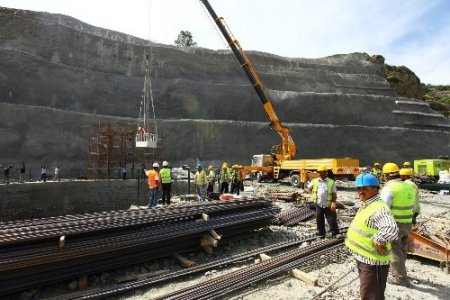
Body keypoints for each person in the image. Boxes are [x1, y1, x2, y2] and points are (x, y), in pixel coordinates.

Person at [345, 173, 399, 300]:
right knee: (367, 292)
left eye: (365, 188)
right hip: (364, 258)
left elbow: (391, 229)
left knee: (372, 295)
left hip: (373, 262)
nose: (361, 192)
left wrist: (378, 240)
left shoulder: (379, 208)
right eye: (359, 188)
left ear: (375, 189)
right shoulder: (367, 203)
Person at [380, 162, 418, 287]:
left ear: (387, 175)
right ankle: (400, 271)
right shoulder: (411, 187)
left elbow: (384, 207)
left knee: (394, 249)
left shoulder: (389, 187)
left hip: (394, 223)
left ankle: (400, 278)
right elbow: (416, 206)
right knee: (402, 249)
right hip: (407, 222)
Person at [306, 165, 340, 238]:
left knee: (331, 219)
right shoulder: (314, 181)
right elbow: (308, 188)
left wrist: (333, 203)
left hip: (328, 204)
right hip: (318, 204)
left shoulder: (331, 182)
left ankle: (335, 233)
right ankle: (321, 232)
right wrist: (313, 194)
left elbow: (334, 194)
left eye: (322, 172)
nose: (320, 174)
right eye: (319, 172)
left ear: (326, 173)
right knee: (319, 219)